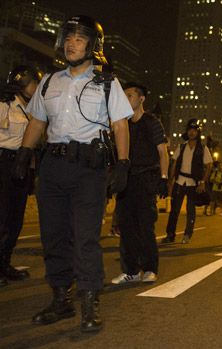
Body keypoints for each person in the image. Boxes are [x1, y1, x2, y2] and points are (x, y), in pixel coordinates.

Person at [12, 15, 132, 332]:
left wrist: (123, 163)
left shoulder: (107, 82)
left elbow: (120, 124)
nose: (71, 43)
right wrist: (24, 154)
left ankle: (90, 304)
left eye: (79, 39)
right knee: (53, 236)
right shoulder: (51, 81)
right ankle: (60, 300)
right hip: (52, 166)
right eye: (68, 38)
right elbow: (37, 121)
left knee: (85, 238)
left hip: (88, 169)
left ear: (93, 45)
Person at [111, 82, 168, 285]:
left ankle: (150, 268)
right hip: (127, 179)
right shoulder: (121, 124)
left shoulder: (151, 121)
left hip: (146, 179)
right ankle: (131, 271)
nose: (126, 99)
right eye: (124, 95)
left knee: (145, 226)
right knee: (125, 226)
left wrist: (163, 178)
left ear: (141, 99)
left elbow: (162, 151)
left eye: (130, 95)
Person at [0, 65, 42, 287]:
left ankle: (5, 262)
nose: (36, 87)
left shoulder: (33, 109)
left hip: (23, 164)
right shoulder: (4, 104)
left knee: (15, 219)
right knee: (2, 217)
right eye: (32, 83)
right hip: (4, 163)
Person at [161, 118, 213, 244]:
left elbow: (209, 165)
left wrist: (202, 182)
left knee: (191, 210)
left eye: (194, 130)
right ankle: (170, 234)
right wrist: (170, 180)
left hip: (193, 183)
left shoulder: (203, 148)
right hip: (180, 181)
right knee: (175, 210)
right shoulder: (181, 146)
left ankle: (187, 234)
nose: (191, 133)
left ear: (198, 132)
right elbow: (174, 163)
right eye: (190, 130)